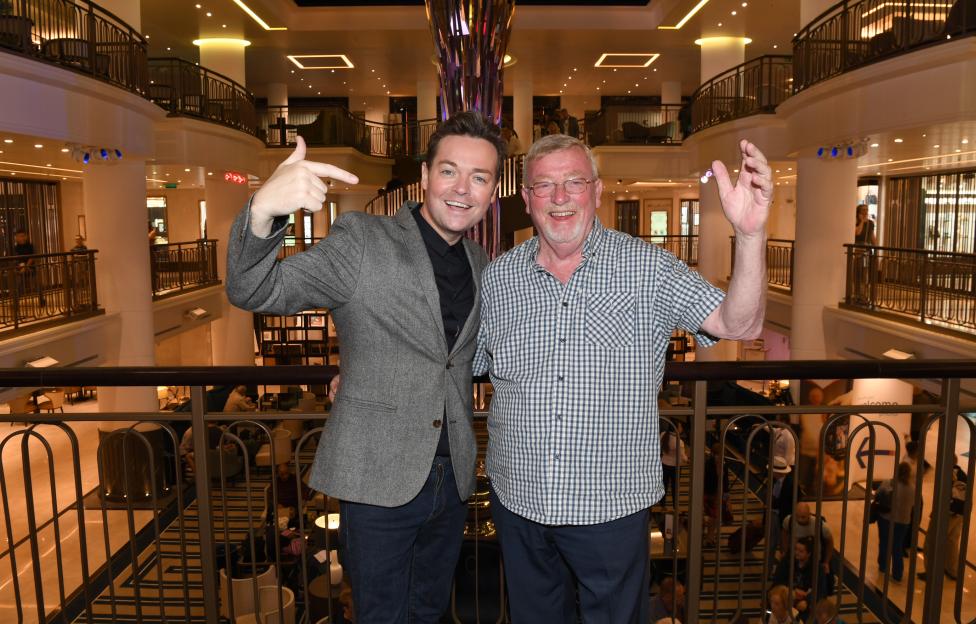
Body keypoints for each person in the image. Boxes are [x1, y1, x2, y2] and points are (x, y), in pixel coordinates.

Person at [473, 133, 772, 621]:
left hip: (610, 510)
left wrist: (751, 235)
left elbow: (739, 324)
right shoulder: (499, 278)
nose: (560, 197)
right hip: (518, 502)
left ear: (597, 190)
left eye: (574, 182)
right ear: (526, 198)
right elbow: (458, 361)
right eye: (544, 185)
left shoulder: (647, 268)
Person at [226, 111, 505, 622]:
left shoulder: (481, 263)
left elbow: (468, 357)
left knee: (428, 613)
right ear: (425, 176)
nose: (462, 188)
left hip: (453, 478)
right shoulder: (363, 239)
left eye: (479, 177)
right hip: (378, 475)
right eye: (449, 171)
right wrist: (263, 211)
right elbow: (255, 289)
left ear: (491, 193)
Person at [876, 461, 915, 582]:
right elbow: (914, 504)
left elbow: (877, 495)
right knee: (897, 546)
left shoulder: (889, 483)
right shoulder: (912, 488)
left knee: (884, 543)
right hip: (903, 522)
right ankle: (897, 573)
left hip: (886, 518)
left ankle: (883, 566)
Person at [772, 536, 829, 617]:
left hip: (805, 600)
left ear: (809, 554)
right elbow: (778, 582)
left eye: (801, 551)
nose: (797, 553)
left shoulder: (817, 568)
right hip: (787, 594)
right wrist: (793, 591)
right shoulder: (787, 562)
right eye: (795, 549)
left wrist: (807, 600)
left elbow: (821, 591)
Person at [781, 503, 834, 577]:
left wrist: (826, 562)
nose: (800, 520)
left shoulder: (820, 525)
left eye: (803, 517)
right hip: (794, 560)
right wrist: (785, 550)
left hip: (814, 563)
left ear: (809, 514)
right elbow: (784, 533)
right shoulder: (789, 520)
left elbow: (830, 543)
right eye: (797, 516)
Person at [12, 229, 44, 306]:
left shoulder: (30, 246)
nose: (21, 238)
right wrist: (19, 267)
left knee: (37, 285)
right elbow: (15, 259)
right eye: (19, 236)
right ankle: (16, 303)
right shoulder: (15, 248)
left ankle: (41, 300)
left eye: (23, 236)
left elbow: (32, 257)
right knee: (18, 286)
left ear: (26, 237)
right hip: (20, 270)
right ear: (16, 238)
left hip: (31, 269)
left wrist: (26, 266)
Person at [660, 421, 687, 505]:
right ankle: (675, 506)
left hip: (664, 464)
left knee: (664, 485)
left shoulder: (663, 435)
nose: (682, 428)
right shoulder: (679, 442)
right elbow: (683, 457)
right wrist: (687, 459)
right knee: (675, 487)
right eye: (680, 427)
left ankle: (662, 504)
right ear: (676, 429)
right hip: (675, 467)